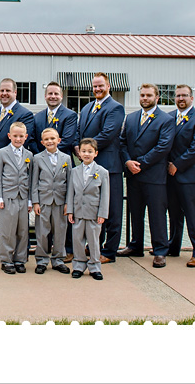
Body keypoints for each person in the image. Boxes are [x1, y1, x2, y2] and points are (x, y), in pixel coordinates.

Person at [117, 84, 176, 268]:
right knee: (135, 212)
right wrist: (127, 162)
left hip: (154, 176)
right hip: (133, 175)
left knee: (157, 215)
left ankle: (160, 251)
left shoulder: (166, 119)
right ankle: (136, 245)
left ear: (157, 97)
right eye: (142, 95)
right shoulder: (131, 117)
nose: (145, 98)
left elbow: (163, 147)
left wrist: (139, 163)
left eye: (149, 95)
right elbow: (122, 142)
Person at [0, 78, 35, 255]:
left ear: (15, 92)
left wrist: (3, 158)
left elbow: (24, 141)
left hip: (14, 172)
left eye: (7, 91)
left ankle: (21, 249)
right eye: (1, 90)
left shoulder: (24, 114)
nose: (4, 94)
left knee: (18, 212)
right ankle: (3, 243)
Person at [76, 72, 126, 263]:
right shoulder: (88, 107)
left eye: (101, 86)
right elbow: (81, 131)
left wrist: (85, 150)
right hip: (89, 166)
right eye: (95, 86)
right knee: (95, 208)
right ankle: (95, 245)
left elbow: (108, 134)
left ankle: (110, 251)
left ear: (108, 86)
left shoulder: (115, 108)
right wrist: (79, 149)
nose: (97, 89)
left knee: (112, 210)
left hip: (109, 167)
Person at [166, 85, 195, 267]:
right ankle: (173, 246)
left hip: (192, 177)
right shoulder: (168, 117)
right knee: (174, 215)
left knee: (194, 215)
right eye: (177, 96)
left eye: (184, 95)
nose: (181, 99)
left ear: (192, 98)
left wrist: (177, 165)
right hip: (171, 176)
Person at [33, 81, 78, 258]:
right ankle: (44, 249)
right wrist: (41, 158)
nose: (53, 96)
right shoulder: (37, 118)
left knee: (65, 212)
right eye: (50, 93)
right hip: (43, 169)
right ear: (45, 96)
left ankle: (67, 249)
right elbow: (33, 141)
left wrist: (50, 151)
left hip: (63, 167)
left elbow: (67, 139)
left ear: (61, 96)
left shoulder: (70, 115)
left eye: (56, 94)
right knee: (45, 214)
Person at [0, 122, 33, 274]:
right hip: (8, 196)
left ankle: (20, 259)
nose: (18, 139)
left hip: (23, 196)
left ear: (25, 137)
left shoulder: (29, 155)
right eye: (15, 136)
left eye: (21, 136)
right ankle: (6, 260)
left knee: (23, 230)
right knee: (7, 230)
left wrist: (30, 199)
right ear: (9, 136)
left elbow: (30, 178)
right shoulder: (2, 153)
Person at [31, 127, 72, 275]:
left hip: (60, 201)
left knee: (60, 231)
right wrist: (35, 202)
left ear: (59, 140)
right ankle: (41, 260)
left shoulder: (66, 159)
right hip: (43, 200)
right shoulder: (37, 158)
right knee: (42, 231)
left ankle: (58, 260)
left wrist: (69, 203)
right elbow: (34, 182)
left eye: (53, 139)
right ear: (42, 142)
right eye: (47, 139)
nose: (50, 141)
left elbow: (70, 182)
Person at [67, 138, 109, 280]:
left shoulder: (102, 172)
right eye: (83, 151)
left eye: (90, 151)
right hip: (78, 212)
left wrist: (102, 213)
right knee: (77, 240)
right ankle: (78, 265)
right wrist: (70, 210)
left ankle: (95, 266)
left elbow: (105, 195)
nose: (86, 154)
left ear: (95, 153)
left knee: (93, 241)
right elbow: (70, 193)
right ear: (79, 153)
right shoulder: (74, 171)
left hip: (94, 213)